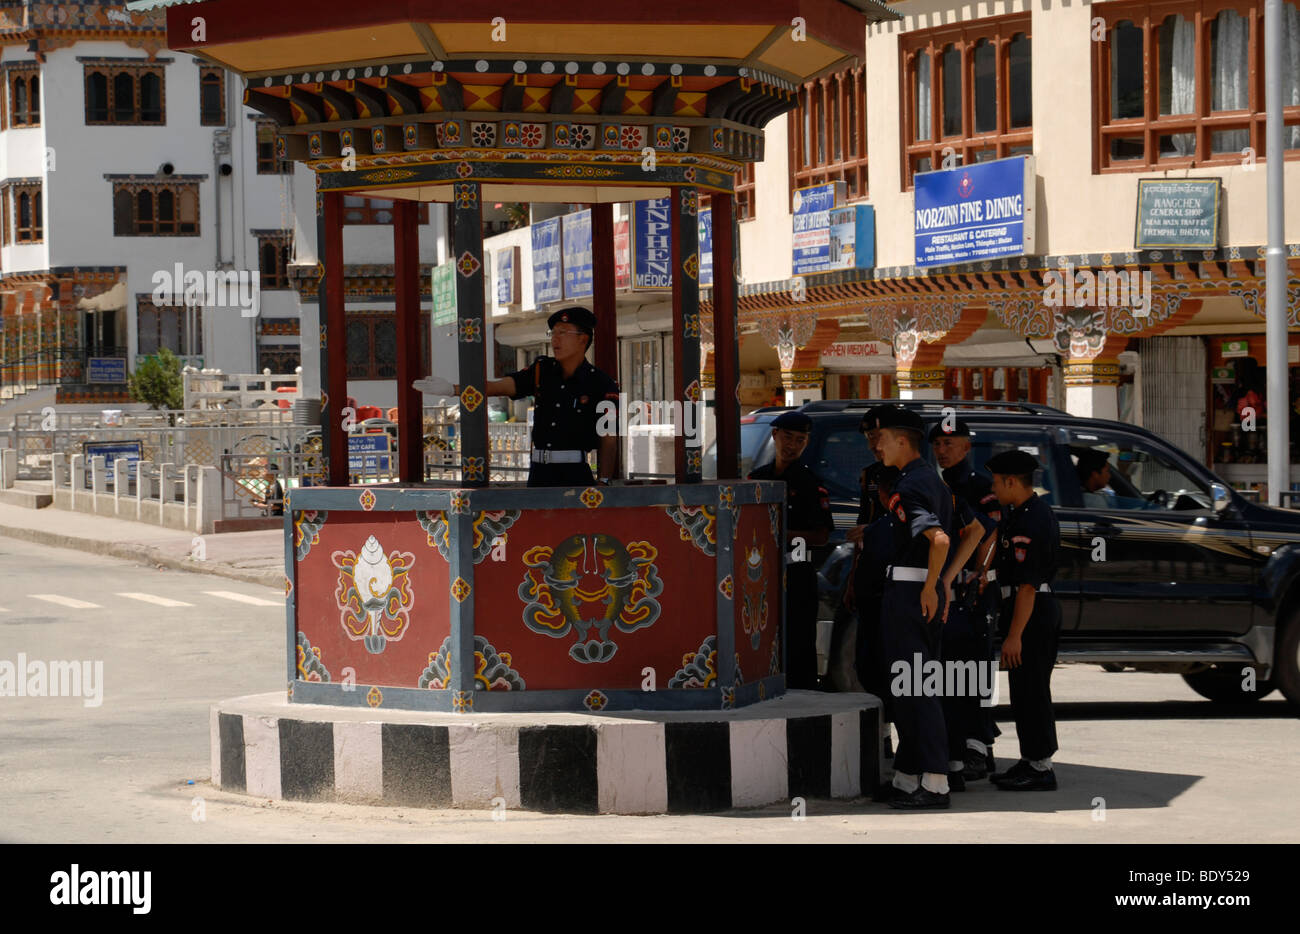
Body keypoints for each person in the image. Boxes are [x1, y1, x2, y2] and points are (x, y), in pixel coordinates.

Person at [863, 405, 955, 809]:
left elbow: (940, 540)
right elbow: (965, 532)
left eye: (881, 439)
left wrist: (934, 585)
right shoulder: (928, 479)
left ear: (902, 441)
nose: (876, 447)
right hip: (918, 590)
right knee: (911, 688)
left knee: (917, 690)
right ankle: (907, 778)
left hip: (910, 592)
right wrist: (942, 583)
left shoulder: (910, 485)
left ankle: (935, 783)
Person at [416, 306, 620, 487]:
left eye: (563, 333)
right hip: (539, 473)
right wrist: (453, 389)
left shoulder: (603, 384)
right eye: (553, 332)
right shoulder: (541, 370)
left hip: (576, 475)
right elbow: (500, 387)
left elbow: (609, 439)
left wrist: (603, 480)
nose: (555, 339)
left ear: (583, 339)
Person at [930, 419, 1002, 782]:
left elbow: (991, 533)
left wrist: (979, 577)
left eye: (949, 443)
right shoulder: (938, 484)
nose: (942, 450)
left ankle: (978, 746)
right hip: (950, 590)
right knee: (952, 672)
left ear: (966, 447)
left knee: (976, 670)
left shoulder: (977, 487)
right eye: (937, 444)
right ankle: (964, 744)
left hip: (973, 590)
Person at [985, 449, 1062, 791]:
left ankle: (1041, 766)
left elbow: (1028, 585)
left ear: (1012, 482)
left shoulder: (1033, 519)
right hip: (1021, 608)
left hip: (1032, 612)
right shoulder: (1017, 513)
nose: (993, 488)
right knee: (1022, 691)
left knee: (1032, 691)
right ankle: (1030, 758)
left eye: (996, 482)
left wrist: (1015, 635)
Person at [748, 411, 834, 690]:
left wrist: (781, 534)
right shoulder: (757, 478)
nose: (792, 445)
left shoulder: (811, 484)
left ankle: (803, 693)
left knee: (799, 640)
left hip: (797, 570)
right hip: (762, 572)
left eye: (800, 440)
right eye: (787, 437)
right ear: (774, 435)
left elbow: (821, 535)